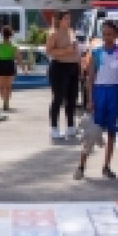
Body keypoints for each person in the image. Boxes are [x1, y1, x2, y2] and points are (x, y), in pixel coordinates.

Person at [85, 19, 118, 176]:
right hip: (100, 92)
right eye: (104, 34)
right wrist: (90, 99)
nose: (107, 37)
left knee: (112, 132)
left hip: (115, 92)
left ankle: (106, 165)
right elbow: (91, 77)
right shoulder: (96, 52)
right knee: (92, 131)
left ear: (116, 34)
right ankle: (82, 164)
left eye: (110, 34)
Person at [45, 11, 81, 141]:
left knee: (72, 98)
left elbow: (75, 47)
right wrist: (66, 50)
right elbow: (48, 51)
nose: (68, 20)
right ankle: (54, 128)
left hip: (73, 66)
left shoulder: (71, 31)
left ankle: (71, 126)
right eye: (65, 18)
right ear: (59, 20)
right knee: (58, 98)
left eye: (69, 18)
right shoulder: (54, 33)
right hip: (59, 67)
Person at [0, 26, 17, 111]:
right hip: (10, 64)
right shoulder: (13, 45)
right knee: (8, 86)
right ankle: (6, 101)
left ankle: (4, 99)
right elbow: (17, 56)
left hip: (0, 64)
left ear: (2, 34)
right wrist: (24, 68)